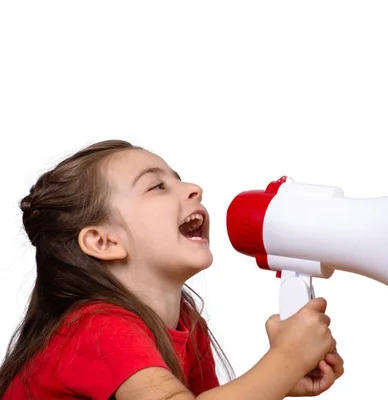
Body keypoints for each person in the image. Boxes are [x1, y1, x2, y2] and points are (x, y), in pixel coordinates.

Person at [0, 140, 344, 399]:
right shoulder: (98, 328)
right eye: (157, 186)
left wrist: (281, 379)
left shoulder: (188, 323)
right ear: (103, 242)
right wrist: (284, 359)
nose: (194, 188)